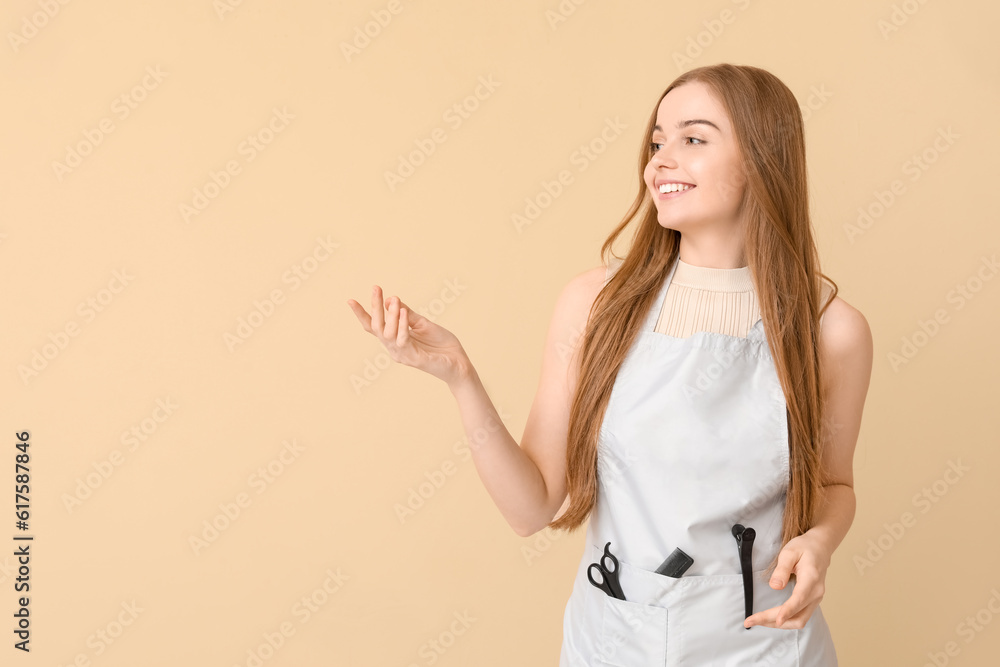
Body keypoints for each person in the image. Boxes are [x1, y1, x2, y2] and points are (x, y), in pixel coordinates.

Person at [347, 63, 872, 666]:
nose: (659, 162)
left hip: (768, 644)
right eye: (656, 142)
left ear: (762, 158)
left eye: (692, 139)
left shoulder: (831, 332)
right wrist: (459, 376)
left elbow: (835, 484)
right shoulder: (596, 305)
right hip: (617, 640)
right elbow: (531, 507)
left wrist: (820, 542)